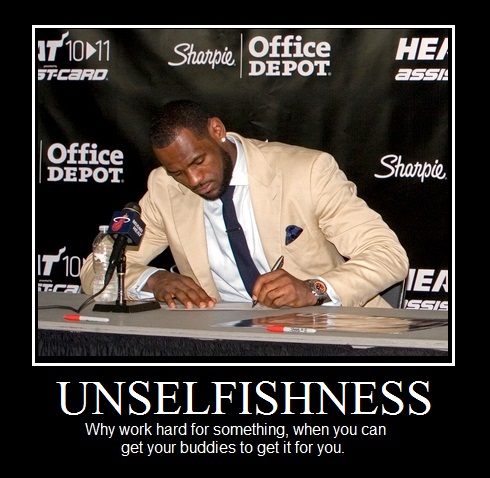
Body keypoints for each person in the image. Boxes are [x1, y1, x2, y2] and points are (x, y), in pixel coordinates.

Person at [80, 99, 409, 309]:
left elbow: (388, 255)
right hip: (223, 342)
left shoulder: (307, 172)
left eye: (199, 161)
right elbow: (95, 268)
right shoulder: (165, 188)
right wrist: (155, 281)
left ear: (217, 130)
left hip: (327, 335)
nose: (193, 179)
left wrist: (314, 289)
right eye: (177, 172)